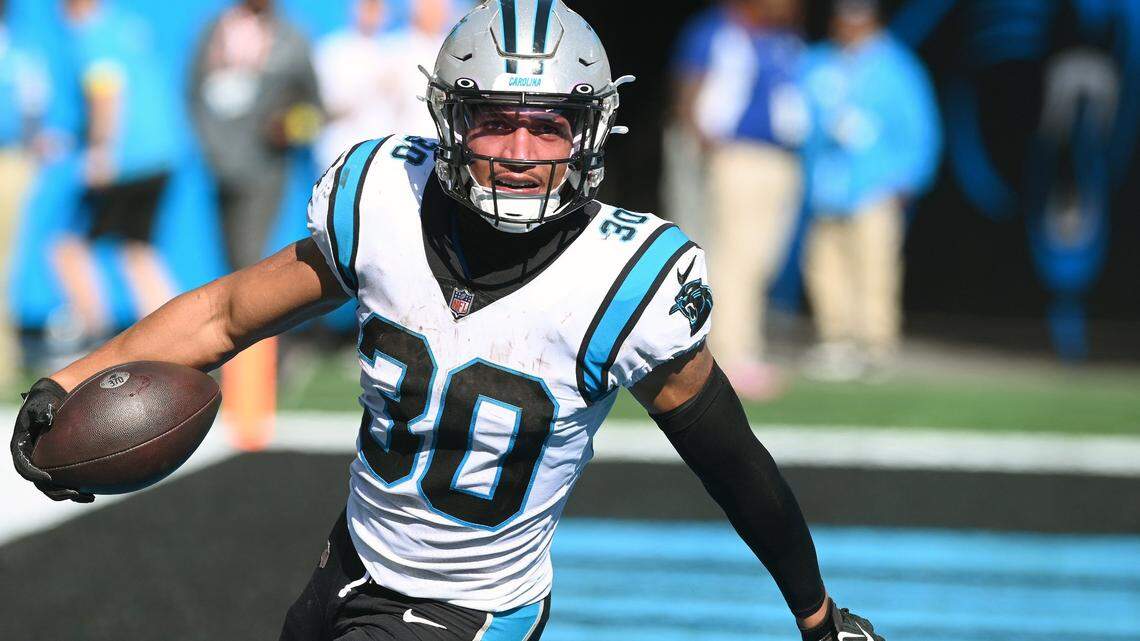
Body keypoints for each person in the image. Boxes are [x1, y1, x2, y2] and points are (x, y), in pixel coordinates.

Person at [11, 2, 884, 640]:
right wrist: (71, 379)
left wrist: (816, 614)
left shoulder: (625, 277)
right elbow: (225, 313)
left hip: (470, 611)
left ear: (592, 130)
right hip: (349, 564)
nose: (518, 148)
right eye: (494, 119)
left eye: (549, 125)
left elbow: (731, 460)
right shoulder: (384, 197)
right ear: (448, 119)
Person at [670, 0, 808, 400]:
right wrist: (703, 144)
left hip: (780, 158)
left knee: (763, 258)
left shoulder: (783, 38)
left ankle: (738, 346)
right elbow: (689, 89)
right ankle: (735, 354)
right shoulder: (714, 29)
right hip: (736, 155)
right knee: (736, 257)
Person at [798, 0, 940, 381]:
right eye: (843, 18)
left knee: (874, 265)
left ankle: (875, 345)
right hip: (827, 183)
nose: (848, 26)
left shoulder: (897, 66)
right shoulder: (819, 61)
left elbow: (921, 129)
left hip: (875, 185)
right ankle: (837, 340)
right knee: (825, 265)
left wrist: (906, 180)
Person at [51, 0, 180, 343]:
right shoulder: (126, 25)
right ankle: (181, 338)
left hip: (125, 160)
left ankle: (93, 337)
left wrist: (100, 150)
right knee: (138, 250)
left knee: (68, 248)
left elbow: (107, 93)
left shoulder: (92, 35)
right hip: (159, 154)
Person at [189, 0, 323, 270]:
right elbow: (193, 93)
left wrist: (290, 126)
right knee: (231, 261)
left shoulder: (292, 37)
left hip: (267, 166)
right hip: (223, 166)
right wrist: (210, 148)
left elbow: (315, 107)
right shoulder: (215, 30)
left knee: (248, 259)